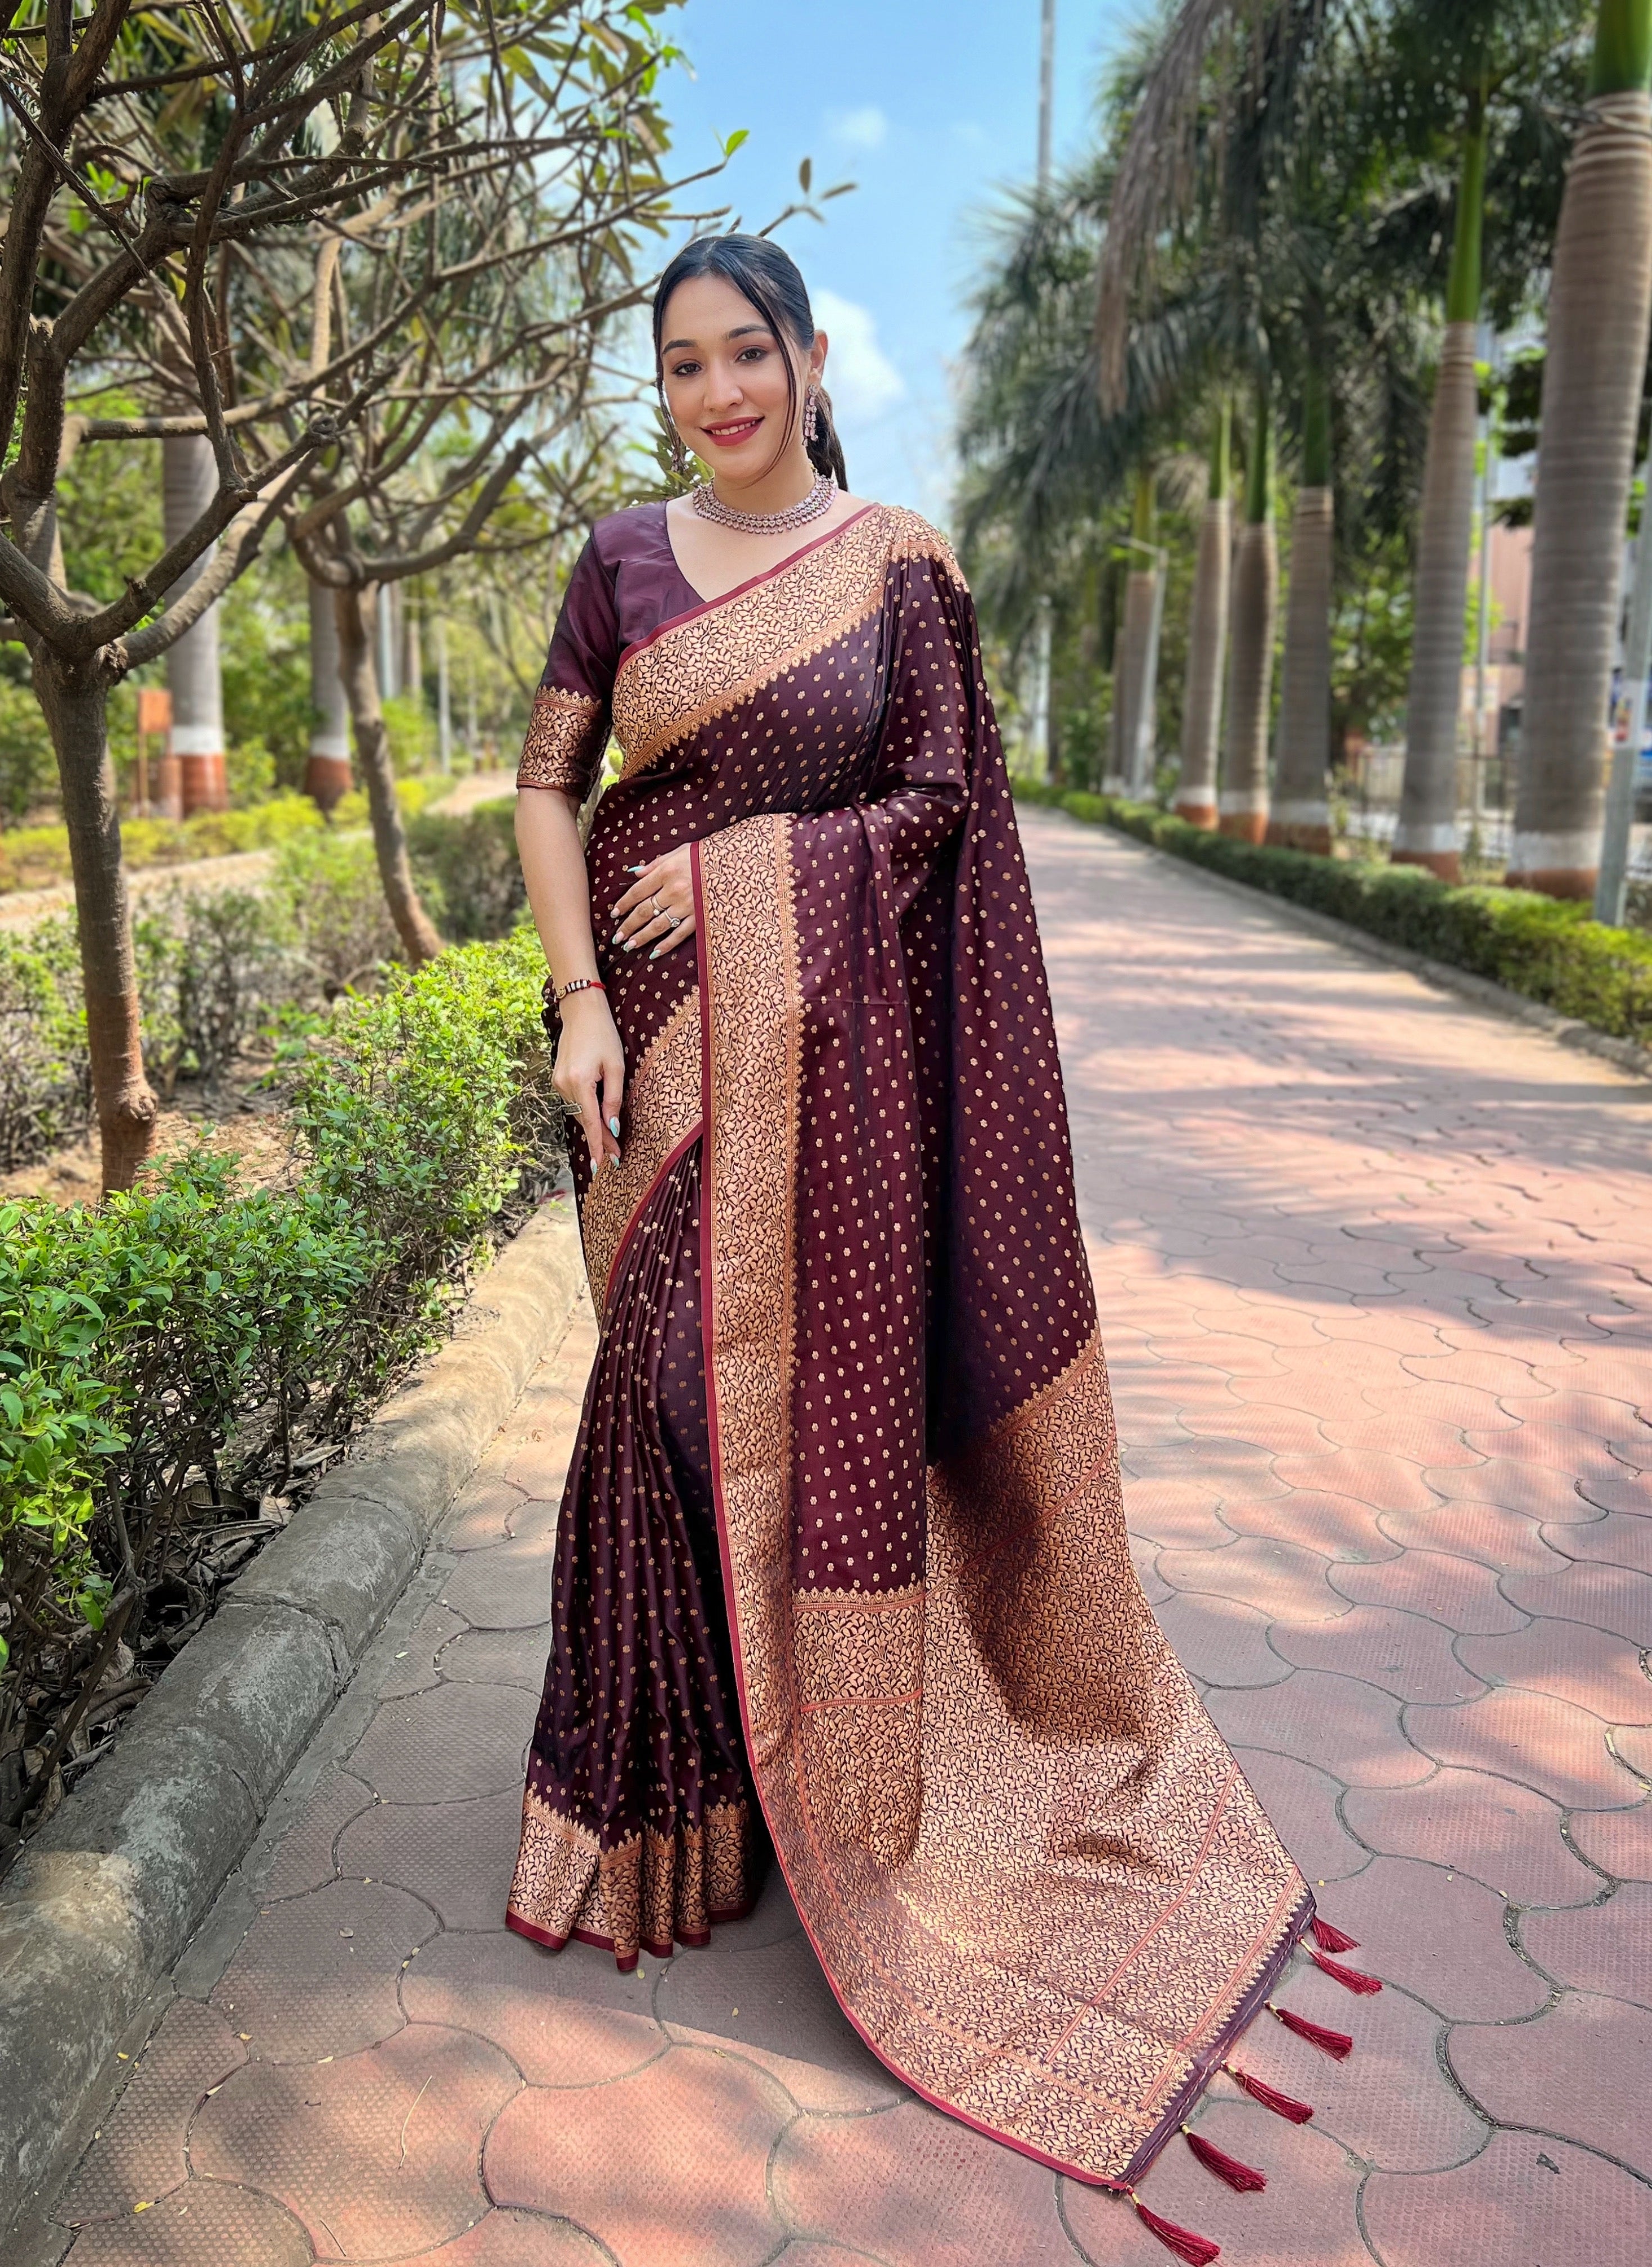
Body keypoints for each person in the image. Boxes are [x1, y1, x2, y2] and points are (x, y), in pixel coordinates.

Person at [508, 233, 1355, 2247]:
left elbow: (939, 808)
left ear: (807, 359)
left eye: (748, 355)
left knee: (794, 1420)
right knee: (660, 1413)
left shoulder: (898, 564)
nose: (718, 394)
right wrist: (575, 1001)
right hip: (657, 1064)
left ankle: (843, 1782)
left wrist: (737, 866)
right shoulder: (622, 560)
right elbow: (545, 787)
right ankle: (668, 1813)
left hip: (838, 1069)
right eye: (684, 365)